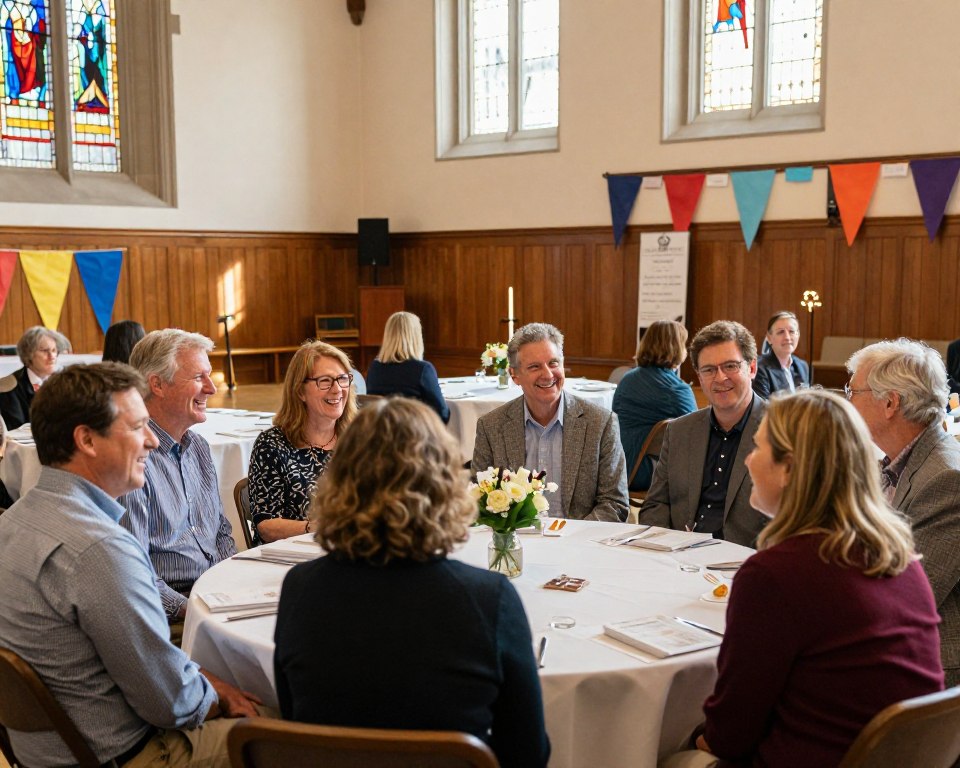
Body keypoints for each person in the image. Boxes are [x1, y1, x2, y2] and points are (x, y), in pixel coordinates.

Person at [0, 363, 260, 767]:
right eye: (138, 427)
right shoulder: (99, 549)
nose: (152, 442)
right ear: (86, 440)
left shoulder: (12, 522)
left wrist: (199, 679)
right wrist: (217, 693)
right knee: (285, 728)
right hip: (120, 755)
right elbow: (171, 705)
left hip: (39, 752)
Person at [668, 390, 943, 768]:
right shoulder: (901, 560)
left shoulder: (777, 575)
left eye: (758, 448)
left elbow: (731, 733)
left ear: (789, 468)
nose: (748, 461)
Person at [274, 398, 550, 768]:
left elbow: (294, 717)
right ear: (442, 484)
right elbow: (528, 753)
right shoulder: (487, 599)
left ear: (340, 481)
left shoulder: (300, 588)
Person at [846, 338, 960, 687]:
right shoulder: (891, 460)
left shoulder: (946, 479)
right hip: (884, 631)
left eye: (852, 391)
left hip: (924, 658)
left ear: (890, 403)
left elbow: (908, 597)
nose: (846, 401)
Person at [120, 329, 236, 629]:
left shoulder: (198, 447)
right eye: (199, 377)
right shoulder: (130, 459)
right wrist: (192, 609)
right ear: (157, 384)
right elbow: (133, 571)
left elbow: (221, 531)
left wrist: (229, 587)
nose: (211, 388)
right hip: (169, 615)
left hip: (213, 596)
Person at [471, 322, 628, 522]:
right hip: (516, 542)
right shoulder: (491, 427)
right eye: (535, 366)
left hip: (579, 545)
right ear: (514, 375)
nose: (547, 374)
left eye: (553, 363)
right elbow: (480, 497)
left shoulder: (600, 423)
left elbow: (615, 503)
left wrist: (571, 540)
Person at [639, 320, 767, 546]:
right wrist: (664, 549)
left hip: (746, 564)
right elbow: (655, 504)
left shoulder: (783, 431)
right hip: (679, 561)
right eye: (709, 369)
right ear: (699, 376)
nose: (719, 378)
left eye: (730, 366)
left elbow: (795, 519)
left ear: (752, 368)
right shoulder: (679, 431)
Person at [248, 340, 358, 543]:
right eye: (324, 381)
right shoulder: (272, 445)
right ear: (300, 391)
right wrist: (314, 527)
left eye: (343, 379)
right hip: (290, 560)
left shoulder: (358, 440)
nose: (337, 390)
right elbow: (266, 526)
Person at [613, 320, 697, 491]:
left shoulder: (627, 379)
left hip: (617, 468)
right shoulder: (676, 390)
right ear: (676, 348)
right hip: (644, 472)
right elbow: (698, 433)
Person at [366, 311, 449, 422]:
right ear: (416, 337)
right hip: (414, 436)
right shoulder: (423, 370)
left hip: (381, 435)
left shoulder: (375, 368)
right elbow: (442, 414)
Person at [0, 325, 59, 429]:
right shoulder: (10, 388)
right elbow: (15, 429)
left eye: (54, 350)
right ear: (28, 354)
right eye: (45, 350)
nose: (52, 356)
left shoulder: (63, 382)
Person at [752, 311, 810, 398]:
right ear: (769, 338)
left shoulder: (802, 366)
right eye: (780, 332)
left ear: (798, 335)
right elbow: (763, 407)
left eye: (791, 331)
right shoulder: (760, 368)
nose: (787, 337)